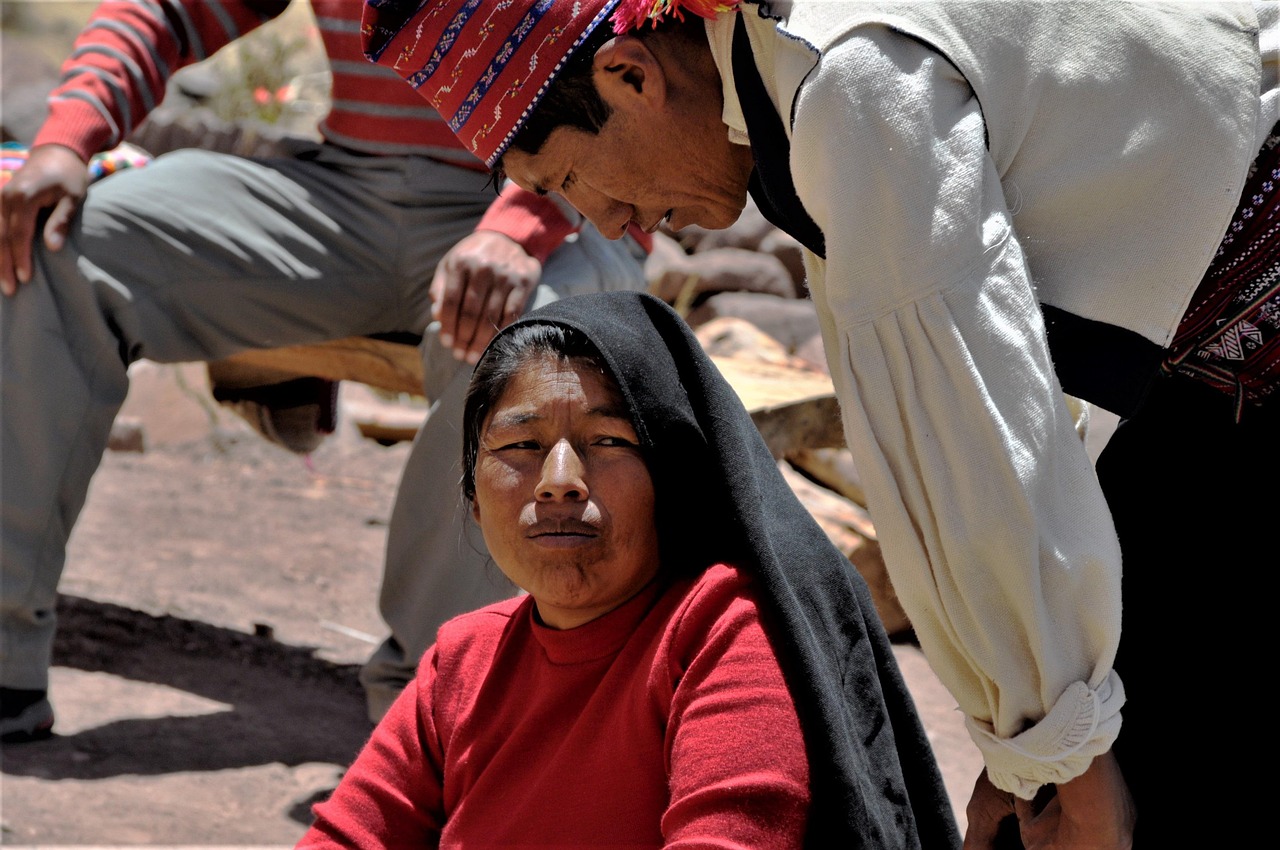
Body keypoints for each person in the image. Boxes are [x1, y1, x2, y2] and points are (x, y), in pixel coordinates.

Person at [360, 1, 1280, 847]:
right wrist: (1027, 728)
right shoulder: (789, 96)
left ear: (631, 76)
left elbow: (973, 431)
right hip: (1199, 366)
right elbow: (935, 426)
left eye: (567, 176)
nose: (610, 221)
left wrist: (1054, 743)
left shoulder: (846, 81)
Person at [0, 0, 651, 744]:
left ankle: (435, 713)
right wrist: (65, 140)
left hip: (559, 200)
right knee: (58, 246)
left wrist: (521, 224)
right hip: (348, 189)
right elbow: (166, 12)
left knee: (527, 347)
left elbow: (635, 67)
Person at [296, 289, 961, 849]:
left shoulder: (723, 632)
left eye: (609, 442)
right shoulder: (461, 663)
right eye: (521, 445)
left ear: (675, 478)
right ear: (472, 494)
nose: (558, 482)